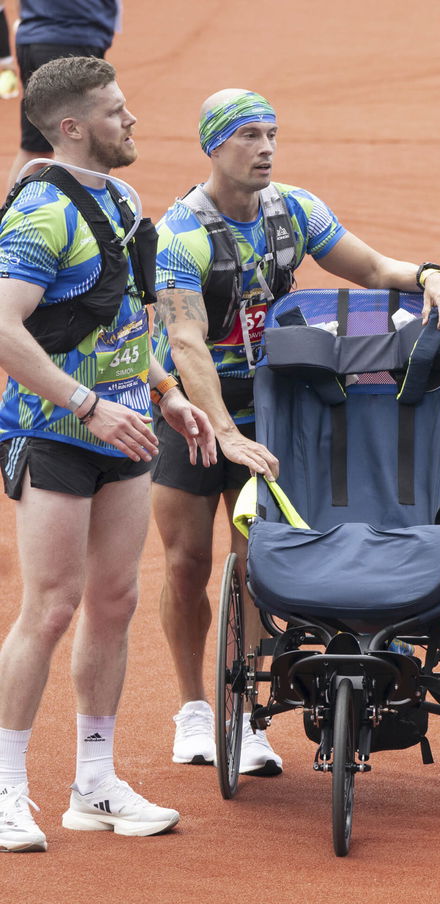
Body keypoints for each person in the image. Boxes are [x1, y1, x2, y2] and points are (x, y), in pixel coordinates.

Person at [152, 88, 440, 775]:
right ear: (213, 146)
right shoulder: (177, 234)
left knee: (260, 563)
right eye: (247, 136)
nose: (265, 147)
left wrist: (430, 275)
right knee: (185, 566)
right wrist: (222, 432)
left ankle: (249, 712)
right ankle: (193, 711)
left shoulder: (294, 209)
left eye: (271, 133)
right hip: (194, 407)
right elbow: (184, 338)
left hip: (275, 407)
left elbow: (374, 270)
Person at [0, 56, 215, 852]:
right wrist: (85, 405)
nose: (132, 123)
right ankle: (6, 788)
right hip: (57, 430)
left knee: (115, 602)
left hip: (127, 427)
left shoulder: (121, 199)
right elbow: (3, 328)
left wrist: (166, 391)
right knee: (50, 607)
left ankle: (94, 785)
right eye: (116, 113)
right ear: (71, 128)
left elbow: (121, 321)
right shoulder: (38, 212)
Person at [7, 0, 119, 186]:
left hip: (35, 37)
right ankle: (87, 211)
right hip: (70, 39)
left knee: (36, 146)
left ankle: (14, 211)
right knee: (83, 143)